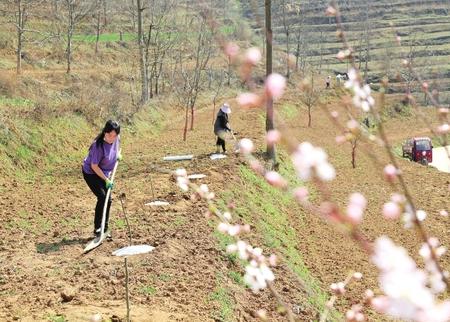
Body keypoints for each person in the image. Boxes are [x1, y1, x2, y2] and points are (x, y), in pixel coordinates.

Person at [82, 120, 121, 239]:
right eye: (109, 135)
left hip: (104, 172)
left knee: (108, 200)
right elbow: (94, 166)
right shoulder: (97, 146)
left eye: (114, 136)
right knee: (102, 197)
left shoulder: (116, 139)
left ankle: (104, 226)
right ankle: (98, 228)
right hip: (91, 173)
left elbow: (117, 148)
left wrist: (118, 155)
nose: (112, 138)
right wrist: (106, 180)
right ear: (105, 132)